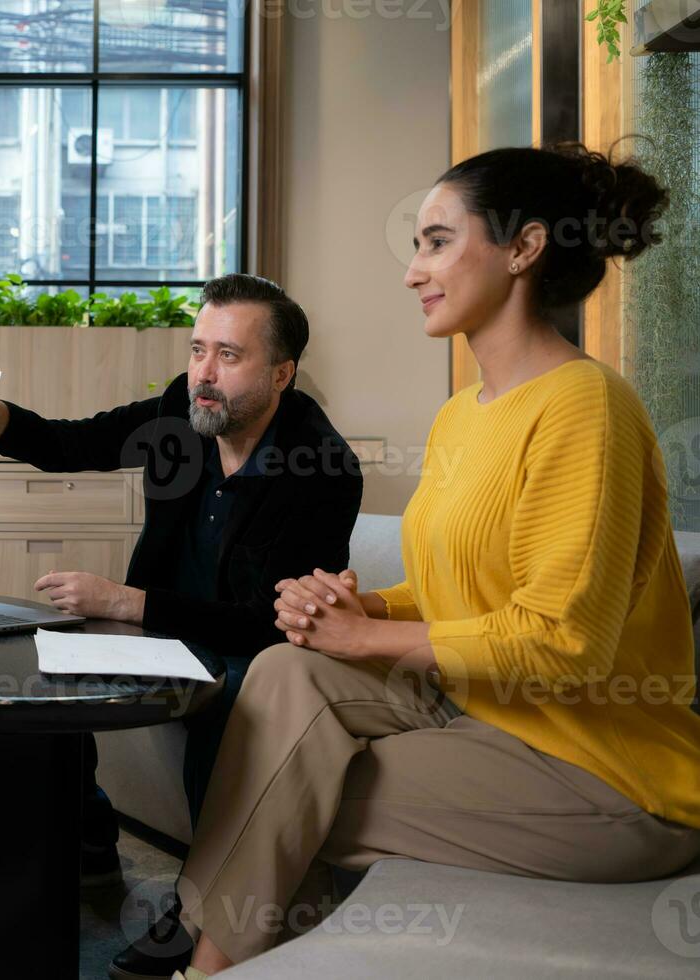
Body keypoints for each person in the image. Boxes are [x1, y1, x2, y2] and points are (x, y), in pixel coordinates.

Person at [169, 144, 700, 980]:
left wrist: (362, 641)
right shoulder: (462, 415)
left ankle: (206, 968)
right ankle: (233, 960)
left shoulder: (587, 408)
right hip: (484, 724)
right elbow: (454, 584)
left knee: (278, 791)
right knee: (281, 672)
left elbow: (564, 641)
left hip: (603, 776)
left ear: (524, 248)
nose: (415, 270)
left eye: (438, 241)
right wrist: (360, 609)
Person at [0, 272, 363, 972]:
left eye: (228, 356)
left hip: (253, 649)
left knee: (236, 693)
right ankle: (91, 839)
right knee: (44, 658)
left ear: (282, 372)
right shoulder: (178, 413)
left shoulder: (321, 467)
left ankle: (197, 911)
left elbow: (265, 624)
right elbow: (67, 444)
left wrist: (125, 601)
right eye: (196, 349)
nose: (202, 375)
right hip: (164, 631)